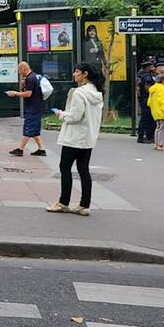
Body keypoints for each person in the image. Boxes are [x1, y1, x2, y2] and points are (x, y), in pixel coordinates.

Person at [46, 62, 105, 216]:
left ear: (85, 74)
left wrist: (61, 114)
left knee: (65, 168)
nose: (74, 74)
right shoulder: (97, 93)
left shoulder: (79, 93)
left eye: (76, 71)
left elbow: (75, 116)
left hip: (74, 137)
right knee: (83, 169)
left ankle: (63, 202)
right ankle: (84, 205)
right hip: (88, 137)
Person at [7, 61, 47, 156]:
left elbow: (28, 94)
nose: (19, 73)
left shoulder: (30, 78)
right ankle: (41, 149)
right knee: (35, 130)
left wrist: (15, 93)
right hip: (37, 106)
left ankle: (20, 149)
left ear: (24, 69)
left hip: (32, 108)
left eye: (19, 71)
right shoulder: (35, 76)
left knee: (28, 128)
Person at [149, 74, 164, 151]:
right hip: (162, 112)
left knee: (158, 128)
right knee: (163, 129)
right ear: (163, 81)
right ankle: (161, 145)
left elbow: (149, 102)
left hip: (155, 111)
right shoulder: (162, 89)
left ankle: (157, 144)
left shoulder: (153, 89)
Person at [136, 58, 157, 144]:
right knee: (146, 118)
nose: (153, 67)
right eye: (151, 66)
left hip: (143, 99)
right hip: (147, 99)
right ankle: (144, 136)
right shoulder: (147, 77)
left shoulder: (140, 75)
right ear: (147, 67)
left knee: (146, 118)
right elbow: (148, 89)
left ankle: (145, 135)